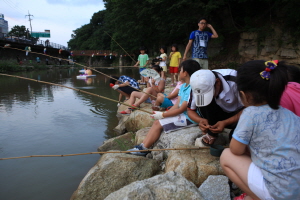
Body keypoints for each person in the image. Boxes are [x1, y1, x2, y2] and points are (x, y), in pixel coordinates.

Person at [220, 60, 300, 200]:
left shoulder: (250, 113)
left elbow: (236, 150)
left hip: (279, 193)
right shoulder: (292, 116)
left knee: (226, 155)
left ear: (245, 95)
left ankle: (256, 197)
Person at [127, 60, 201, 156]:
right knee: (157, 121)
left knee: (159, 124)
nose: (179, 72)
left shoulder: (191, 88)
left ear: (185, 73)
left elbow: (182, 109)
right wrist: (164, 115)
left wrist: (163, 114)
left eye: (180, 70)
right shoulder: (183, 86)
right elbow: (177, 105)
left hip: (190, 118)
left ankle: (144, 149)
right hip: (183, 114)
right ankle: (142, 145)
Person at [187, 69, 244, 146]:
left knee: (235, 140)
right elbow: (190, 110)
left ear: (217, 82)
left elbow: (251, 109)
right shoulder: (197, 86)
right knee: (203, 104)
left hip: (240, 114)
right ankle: (212, 132)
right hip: (220, 112)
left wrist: (226, 122)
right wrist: (200, 120)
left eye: (210, 93)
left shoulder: (235, 80)